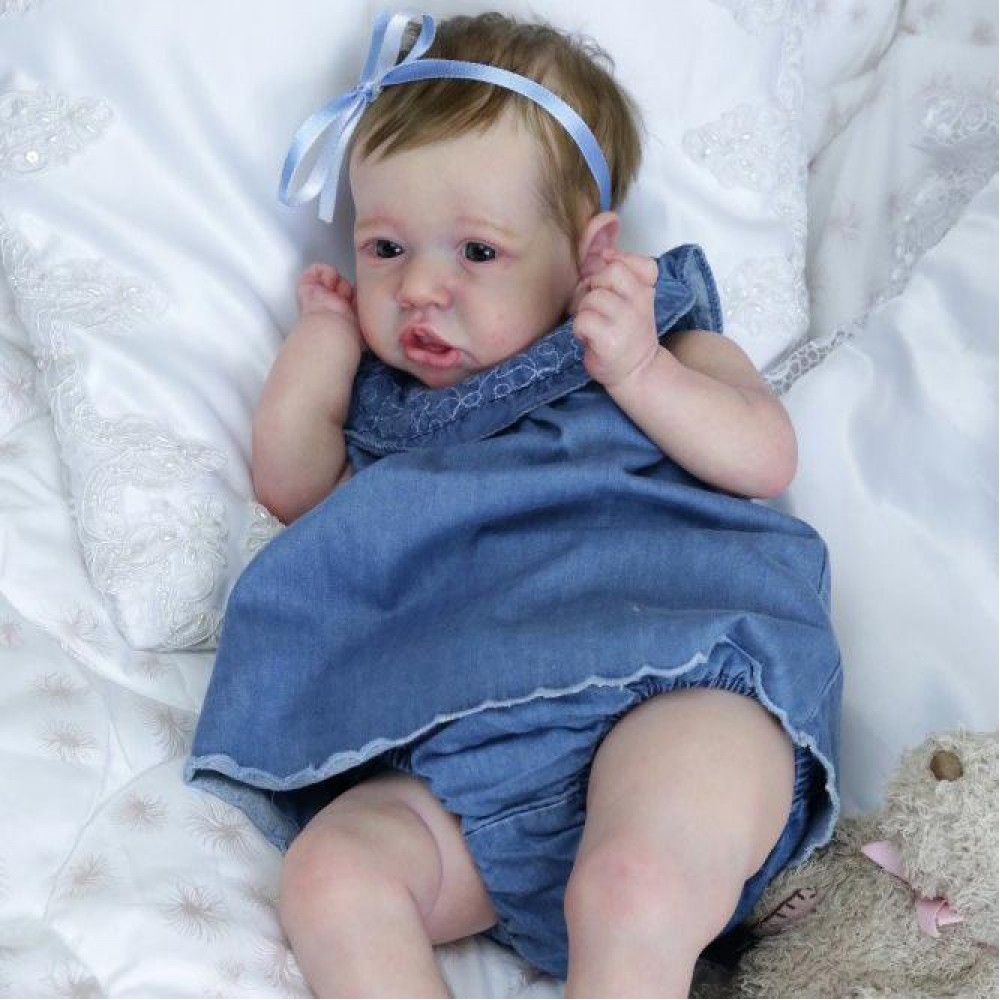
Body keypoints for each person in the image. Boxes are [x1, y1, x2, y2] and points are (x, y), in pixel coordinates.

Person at [186, 10, 842, 998]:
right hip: (477, 758)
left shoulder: (658, 338)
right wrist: (320, 342)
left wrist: (640, 372)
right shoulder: (386, 407)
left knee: (633, 883)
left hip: (684, 685)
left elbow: (763, 456)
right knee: (331, 871)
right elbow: (293, 490)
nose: (420, 288)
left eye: (477, 253)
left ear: (589, 254)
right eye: (385, 246)